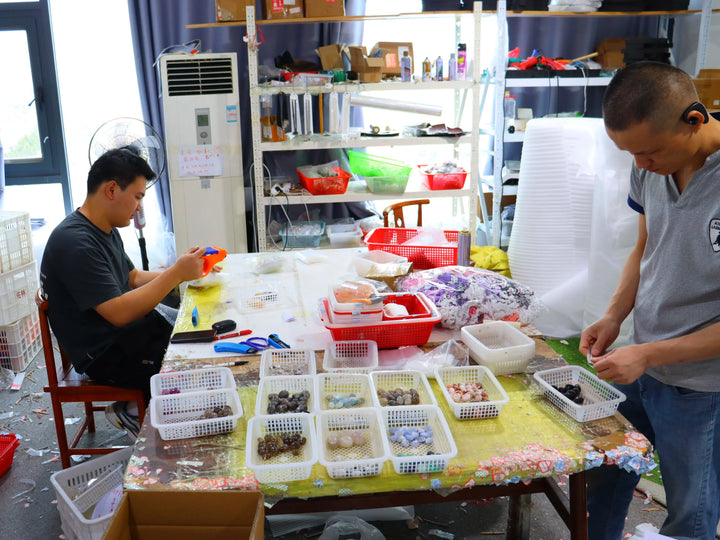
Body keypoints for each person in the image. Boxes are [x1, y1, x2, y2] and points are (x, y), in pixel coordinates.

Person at [579, 61, 720, 540]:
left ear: (694, 119)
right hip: (641, 361)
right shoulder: (652, 168)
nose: (641, 165)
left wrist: (649, 354)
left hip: (701, 386)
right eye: (630, 153)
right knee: (609, 469)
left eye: (650, 151)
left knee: (691, 511)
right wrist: (615, 316)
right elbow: (646, 246)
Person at [40, 148, 206, 439]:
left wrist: (191, 271)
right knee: (191, 363)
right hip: (104, 353)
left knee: (197, 332)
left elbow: (131, 277)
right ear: (112, 189)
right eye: (138, 197)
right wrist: (176, 273)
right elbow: (118, 313)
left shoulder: (103, 227)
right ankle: (133, 410)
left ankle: (137, 405)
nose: (139, 207)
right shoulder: (74, 242)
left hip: (123, 335)